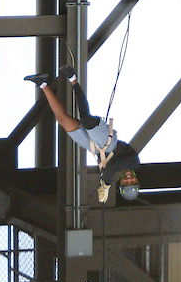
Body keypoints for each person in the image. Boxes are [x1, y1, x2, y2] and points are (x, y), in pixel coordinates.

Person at [25, 66, 140, 201]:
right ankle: (73, 78)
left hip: (95, 147)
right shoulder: (133, 162)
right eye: (132, 181)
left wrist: (104, 182)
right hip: (108, 143)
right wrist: (105, 184)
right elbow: (114, 166)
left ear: (121, 182)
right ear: (136, 179)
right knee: (86, 119)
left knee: (62, 120)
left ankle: (42, 83)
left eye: (126, 183)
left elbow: (110, 170)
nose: (128, 179)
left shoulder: (116, 171)